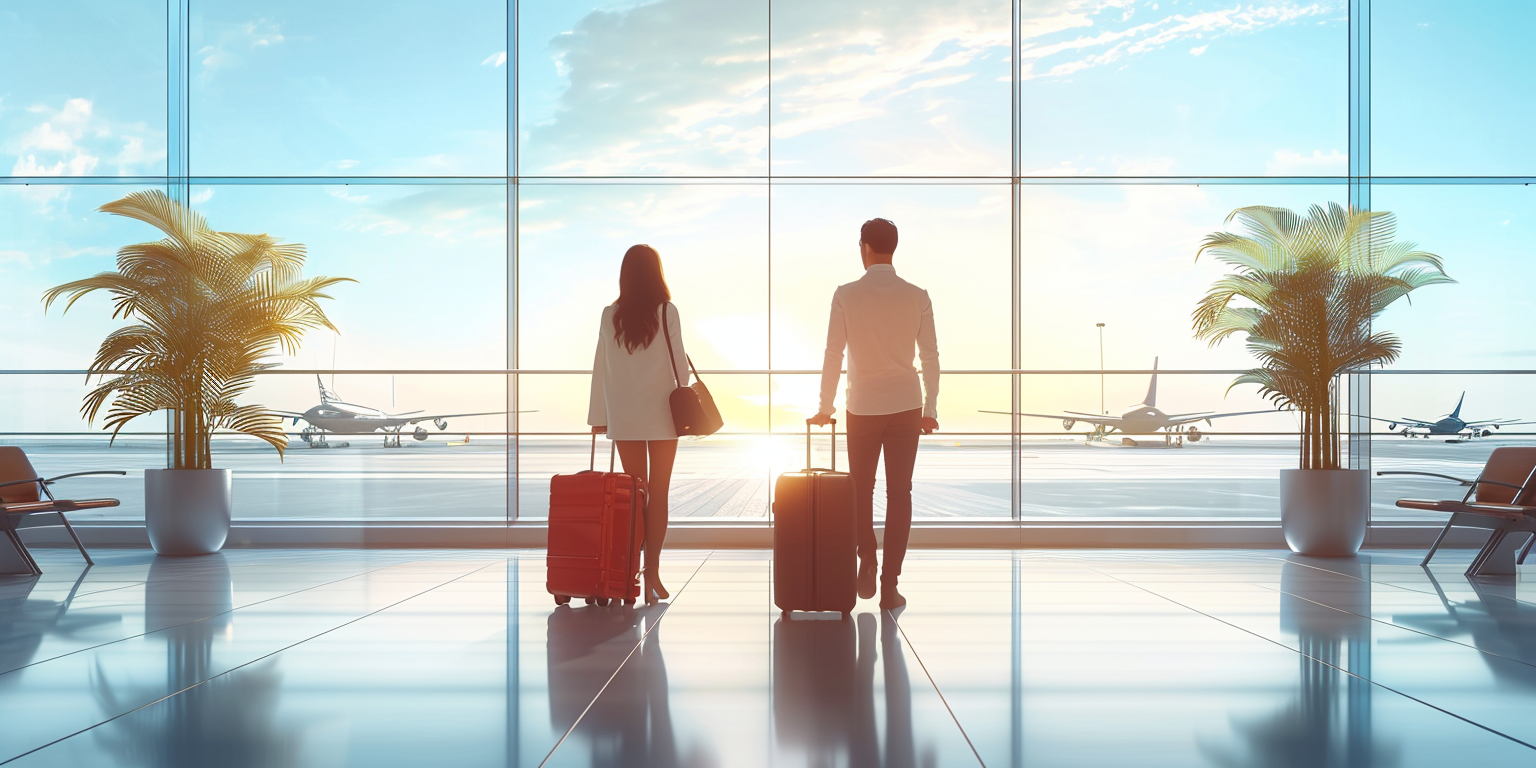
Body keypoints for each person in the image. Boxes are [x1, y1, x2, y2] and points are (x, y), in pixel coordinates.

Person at [809, 218, 939, 611]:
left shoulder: (846, 294)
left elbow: (834, 353)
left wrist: (825, 406)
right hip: (905, 404)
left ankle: (866, 552)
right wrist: (930, 408)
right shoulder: (918, 295)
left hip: (862, 405)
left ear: (864, 246)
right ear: (893, 248)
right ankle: (890, 587)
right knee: (900, 494)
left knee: (859, 490)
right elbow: (930, 356)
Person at [589, 244, 688, 605]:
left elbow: (601, 368)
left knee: (634, 496)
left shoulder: (608, 315)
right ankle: (653, 576)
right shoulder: (667, 312)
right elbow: (680, 364)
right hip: (663, 414)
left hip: (626, 415)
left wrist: (598, 416)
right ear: (656, 272)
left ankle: (628, 572)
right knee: (658, 493)